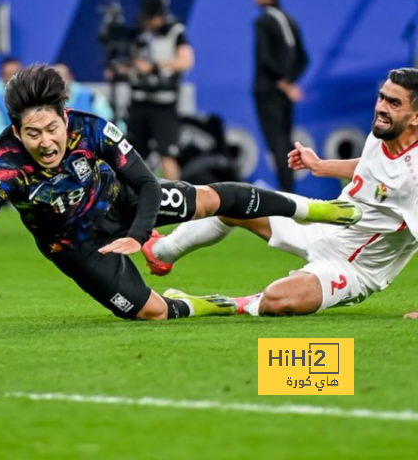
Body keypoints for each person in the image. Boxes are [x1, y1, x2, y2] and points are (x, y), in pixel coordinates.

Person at [0, 64, 362, 321]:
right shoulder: (6, 165)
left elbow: (144, 183)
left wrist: (138, 234)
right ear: (17, 131)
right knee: (152, 312)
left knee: (213, 199)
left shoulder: (91, 127)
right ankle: (210, 304)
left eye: (52, 128)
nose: (46, 142)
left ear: (64, 117)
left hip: (123, 202)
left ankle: (318, 209)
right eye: (32, 134)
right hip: (77, 247)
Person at [142, 68, 418, 320]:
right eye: (382, 97)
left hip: (352, 267)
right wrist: (321, 166)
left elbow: (399, 177)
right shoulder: (385, 132)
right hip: (325, 224)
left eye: (394, 103)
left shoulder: (414, 176)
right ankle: (162, 252)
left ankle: (225, 303)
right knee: (236, 205)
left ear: (415, 116)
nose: (382, 107)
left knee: (279, 299)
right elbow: (372, 166)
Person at [125, 0, 194, 181]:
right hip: (139, 101)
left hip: (164, 104)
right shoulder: (137, 32)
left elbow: (186, 61)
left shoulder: (175, 31)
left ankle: (176, 197)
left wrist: (155, 67)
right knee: (133, 153)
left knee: (167, 153)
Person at [251, 0, 308, 192]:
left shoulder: (263, 20)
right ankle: (289, 192)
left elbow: (264, 59)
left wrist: (282, 83)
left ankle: (286, 195)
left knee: (277, 144)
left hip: (267, 92)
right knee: (284, 142)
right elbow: (304, 59)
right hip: (284, 94)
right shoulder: (289, 20)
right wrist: (290, 82)